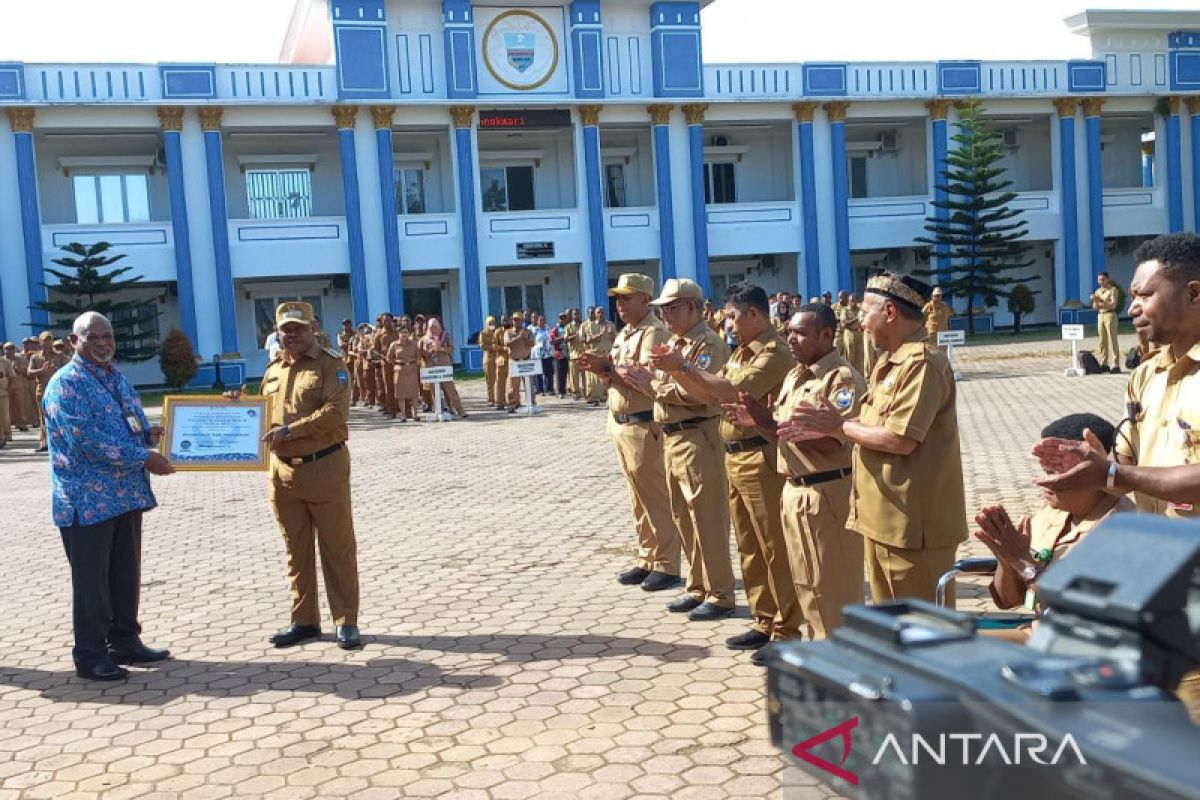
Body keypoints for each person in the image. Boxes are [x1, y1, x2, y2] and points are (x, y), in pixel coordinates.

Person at [1033, 233, 1200, 719]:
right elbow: (1127, 461)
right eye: (1131, 296)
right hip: (1164, 573)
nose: (1133, 307)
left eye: (1146, 294)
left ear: (1194, 293)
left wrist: (1109, 471)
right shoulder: (1146, 375)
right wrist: (1087, 462)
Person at [788, 272, 967, 604]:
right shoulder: (890, 363)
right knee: (895, 631)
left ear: (889, 313)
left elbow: (900, 440)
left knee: (921, 634)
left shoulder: (922, 364)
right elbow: (870, 424)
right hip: (885, 521)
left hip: (913, 529)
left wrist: (837, 427)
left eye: (866, 312)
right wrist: (838, 424)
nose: (860, 322)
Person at [651, 282, 801, 651]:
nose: (729, 324)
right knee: (750, 547)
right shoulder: (742, 352)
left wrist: (682, 367)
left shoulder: (773, 352)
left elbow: (731, 391)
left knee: (773, 548)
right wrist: (682, 371)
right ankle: (764, 620)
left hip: (761, 456)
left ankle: (787, 628)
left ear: (754, 314)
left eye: (733, 317)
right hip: (735, 454)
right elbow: (709, 392)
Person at [44, 311, 175, 680]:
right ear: (74, 342)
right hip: (86, 502)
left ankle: (126, 641)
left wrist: (148, 435)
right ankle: (90, 654)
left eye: (108, 336)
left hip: (125, 495)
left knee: (124, 574)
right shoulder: (65, 384)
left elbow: (126, 426)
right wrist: (143, 457)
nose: (102, 343)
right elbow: (86, 442)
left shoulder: (115, 377)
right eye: (92, 337)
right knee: (92, 583)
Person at [729, 303, 866, 653]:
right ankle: (816, 652)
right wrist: (760, 421)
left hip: (826, 490)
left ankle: (840, 659)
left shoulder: (841, 378)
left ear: (826, 335)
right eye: (789, 331)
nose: (791, 338)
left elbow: (839, 438)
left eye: (801, 332)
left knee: (832, 585)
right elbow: (784, 432)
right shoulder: (794, 375)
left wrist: (776, 425)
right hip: (794, 488)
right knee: (806, 582)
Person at [624, 279, 735, 621]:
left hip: (698, 436)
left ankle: (720, 593)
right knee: (683, 517)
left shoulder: (707, 343)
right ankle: (697, 585)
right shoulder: (676, 343)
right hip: (672, 436)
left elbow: (702, 393)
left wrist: (654, 386)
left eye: (671, 308)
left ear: (692, 307)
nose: (665, 315)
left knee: (708, 518)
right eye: (662, 310)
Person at [253, 301, 361, 650]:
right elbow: (259, 417)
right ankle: (304, 620)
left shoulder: (332, 365)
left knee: (337, 548)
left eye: (299, 328)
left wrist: (291, 431)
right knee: (295, 552)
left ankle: (346, 621)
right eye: (286, 329)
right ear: (277, 332)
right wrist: (233, 408)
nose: (292, 334)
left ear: (313, 328)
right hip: (282, 474)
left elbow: (335, 413)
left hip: (324, 467)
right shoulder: (272, 370)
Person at [977, 413, 1134, 645]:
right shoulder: (1053, 512)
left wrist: (1023, 563)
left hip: (1086, 650)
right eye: (1044, 470)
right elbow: (1008, 600)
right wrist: (1005, 556)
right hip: (1040, 635)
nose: (1044, 481)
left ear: (1091, 469)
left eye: (1054, 472)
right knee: (927, 644)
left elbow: (1079, 611)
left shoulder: (1122, 527)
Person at [579, 274, 682, 593]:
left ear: (644, 299)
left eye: (626, 298)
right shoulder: (626, 334)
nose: (619, 304)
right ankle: (647, 556)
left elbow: (647, 378)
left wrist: (608, 370)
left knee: (655, 497)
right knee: (637, 498)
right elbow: (619, 373)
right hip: (620, 421)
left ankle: (667, 563)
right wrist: (604, 369)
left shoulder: (654, 333)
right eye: (617, 298)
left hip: (642, 422)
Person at [28, 330, 71, 452]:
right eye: (44, 340)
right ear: (40, 342)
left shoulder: (61, 356)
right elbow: (29, 373)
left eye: (49, 340)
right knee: (43, 416)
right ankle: (44, 442)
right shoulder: (35, 357)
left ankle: (61, 441)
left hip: (58, 391)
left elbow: (69, 370)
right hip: (42, 389)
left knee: (59, 415)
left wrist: (56, 369)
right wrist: (41, 370)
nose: (47, 343)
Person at [420, 317, 466, 418]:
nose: (434, 329)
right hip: (431, 368)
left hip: (444, 367)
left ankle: (459, 410)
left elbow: (452, 348)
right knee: (434, 391)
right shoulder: (424, 339)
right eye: (431, 327)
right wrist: (431, 351)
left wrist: (441, 348)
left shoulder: (446, 336)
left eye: (435, 326)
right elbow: (421, 353)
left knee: (450, 389)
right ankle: (438, 410)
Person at [387, 321, 422, 421]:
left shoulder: (414, 344)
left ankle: (415, 414)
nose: (404, 334)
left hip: (411, 369)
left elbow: (419, 356)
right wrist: (397, 365)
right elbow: (389, 358)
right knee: (401, 394)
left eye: (406, 332)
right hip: (399, 370)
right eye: (402, 332)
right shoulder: (394, 345)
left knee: (414, 393)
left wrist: (414, 365)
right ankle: (403, 415)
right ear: (399, 334)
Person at [582, 307, 616, 405]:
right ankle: (595, 397)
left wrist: (611, 335)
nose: (600, 314)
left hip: (607, 354)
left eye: (602, 312)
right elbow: (587, 340)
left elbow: (616, 340)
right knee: (596, 379)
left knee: (608, 376)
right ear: (595, 314)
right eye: (598, 313)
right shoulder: (590, 326)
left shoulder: (611, 325)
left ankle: (607, 397)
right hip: (596, 355)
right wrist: (599, 335)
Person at [503, 312, 535, 412]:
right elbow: (507, 343)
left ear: (522, 321)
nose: (515, 321)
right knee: (513, 384)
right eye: (514, 320)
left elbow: (532, 343)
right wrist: (518, 338)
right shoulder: (508, 332)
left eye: (518, 320)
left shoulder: (528, 331)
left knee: (528, 383)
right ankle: (513, 403)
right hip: (514, 360)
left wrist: (524, 338)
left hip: (526, 360)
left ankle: (531, 402)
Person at [1091, 270, 1122, 373]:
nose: (1101, 282)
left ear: (1107, 279)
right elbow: (1095, 307)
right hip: (1100, 315)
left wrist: (1100, 301)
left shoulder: (1112, 290)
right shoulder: (1098, 291)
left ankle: (1115, 364)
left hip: (1110, 315)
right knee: (1102, 341)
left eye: (1103, 279)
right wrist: (1095, 301)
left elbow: (1113, 304)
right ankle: (1104, 363)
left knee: (1112, 340)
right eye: (1099, 280)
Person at [373, 314, 399, 418]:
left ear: (392, 321)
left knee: (399, 385)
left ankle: (401, 407)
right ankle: (391, 409)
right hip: (386, 363)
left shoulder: (397, 333)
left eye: (389, 320)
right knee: (388, 386)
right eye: (385, 321)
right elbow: (375, 349)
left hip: (397, 362)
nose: (387, 322)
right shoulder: (379, 334)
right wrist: (383, 357)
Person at [4, 342, 32, 432]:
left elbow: (26, 371)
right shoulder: (3, 361)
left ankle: (22, 424)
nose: (10, 350)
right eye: (8, 348)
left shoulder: (20, 359)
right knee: (8, 408)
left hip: (18, 386)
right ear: (4, 350)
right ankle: (10, 425)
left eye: (12, 348)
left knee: (20, 406)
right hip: (6, 386)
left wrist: (17, 369)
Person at [530, 314, 553, 395]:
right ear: (537, 321)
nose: (542, 321)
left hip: (547, 354)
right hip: (537, 355)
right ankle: (540, 390)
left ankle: (549, 389)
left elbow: (551, 339)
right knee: (538, 373)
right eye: (540, 320)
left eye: (543, 320)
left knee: (548, 373)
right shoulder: (533, 330)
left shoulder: (548, 328)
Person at [337, 319, 358, 406]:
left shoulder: (355, 333)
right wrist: (350, 343)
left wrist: (350, 343)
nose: (346, 326)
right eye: (344, 325)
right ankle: (344, 397)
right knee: (343, 379)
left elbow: (358, 344)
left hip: (354, 359)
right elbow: (341, 345)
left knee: (355, 379)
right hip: (344, 358)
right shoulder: (340, 334)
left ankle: (354, 398)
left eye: (347, 324)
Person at [493, 315, 513, 409]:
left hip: (513, 359)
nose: (504, 322)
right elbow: (494, 345)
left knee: (512, 383)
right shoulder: (497, 332)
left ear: (509, 320)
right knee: (500, 383)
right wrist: (503, 348)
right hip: (501, 360)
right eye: (503, 320)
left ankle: (513, 402)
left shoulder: (513, 330)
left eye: (506, 320)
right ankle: (500, 402)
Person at [566, 308, 585, 400]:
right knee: (574, 376)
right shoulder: (568, 326)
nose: (576, 316)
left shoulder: (584, 325)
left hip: (585, 355)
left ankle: (586, 393)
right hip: (574, 355)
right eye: (574, 314)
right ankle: (576, 393)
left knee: (586, 375)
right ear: (572, 316)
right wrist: (575, 335)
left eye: (578, 314)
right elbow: (566, 339)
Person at [480, 316, 499, 407]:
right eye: (490, 323)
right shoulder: (483, 333)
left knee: (500, 379)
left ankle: (500, 399)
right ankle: (490, 399)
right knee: (490, 381)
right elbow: (482, 346)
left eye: (493, 323)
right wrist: (492, 347)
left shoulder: (497, 332)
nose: (492, 325)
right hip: (488, 359)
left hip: (498, 358)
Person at [550, 312, 570, 398]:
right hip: (559, 354)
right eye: (561, 318)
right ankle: (560, 392)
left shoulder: (569, 327)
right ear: (558, 319)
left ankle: (565, 391)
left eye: (564, 318)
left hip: (568, 354)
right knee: (559, 374)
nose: (562, 320)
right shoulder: (555, 329)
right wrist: (563, 338)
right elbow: (551, 341)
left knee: (566, 373)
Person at [0, 350, 13, 447]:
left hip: (3, 393)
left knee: (5, 417)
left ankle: (7, 434)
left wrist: (9, 388)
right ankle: (1, 438)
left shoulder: (5, 362)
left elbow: (12, 376)